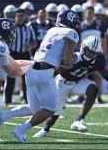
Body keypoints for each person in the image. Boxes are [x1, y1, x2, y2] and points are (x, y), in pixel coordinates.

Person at [0, 36, 108, 138]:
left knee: (93, 88)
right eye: (89, 51)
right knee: (53, 113)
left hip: (78, 82)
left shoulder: (99, 59)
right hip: (62, 83)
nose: (90, 55)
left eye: (93, 53)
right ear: (83, 48)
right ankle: (46, 129)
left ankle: (79, 120)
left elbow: (104, 72)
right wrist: (48, 85)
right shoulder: (72, 56)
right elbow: (56, 70)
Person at [11, 10, 81, 143]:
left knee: (35, 110)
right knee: (50, 109)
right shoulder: (71, 33)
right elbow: (67, 62)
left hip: (32, 70)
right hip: (45, 73)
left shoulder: (51, 30)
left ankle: (4, 116)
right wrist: (74, 60)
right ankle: (21, 129)